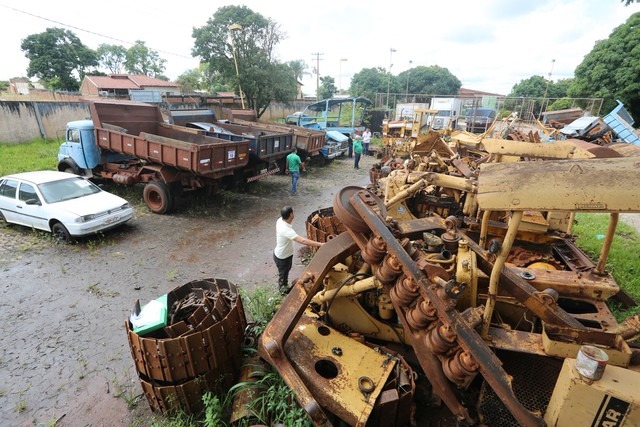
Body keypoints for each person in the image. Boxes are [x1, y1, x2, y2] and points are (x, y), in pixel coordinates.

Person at [273, 206, 324, 293]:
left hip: (283, 254)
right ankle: (282, 293)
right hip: (283, 258)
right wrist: (321, 244)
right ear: (291, 214)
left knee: (285, 272)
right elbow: (302, 240)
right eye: (293, 212)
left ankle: (284, 287)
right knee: (283, 275)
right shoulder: (286, 229)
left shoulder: (280, 221)